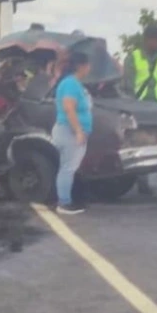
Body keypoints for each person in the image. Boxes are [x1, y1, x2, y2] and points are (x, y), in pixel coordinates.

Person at [124, 24, 157, 195]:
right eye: (153, 40)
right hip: (140, 108)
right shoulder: (134, 57)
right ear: (146, 40)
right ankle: (143, 184)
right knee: (142, 147)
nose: (156, 44)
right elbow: (127, 85)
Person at [53, 50, 93, 215]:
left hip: (69, 130)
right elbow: (69, 108)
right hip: (68, 131)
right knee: (68, 168)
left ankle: (67, 199)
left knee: (69, 167)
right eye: (88, 65)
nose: (89, 68)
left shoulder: (74, 83)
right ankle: (64, 203)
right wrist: (78, 130)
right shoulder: (70, 84)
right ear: (81, 66)